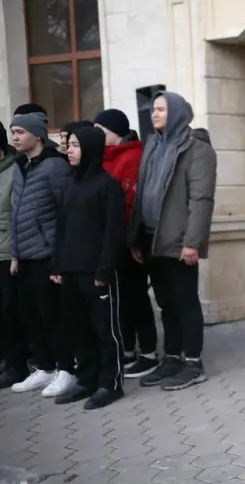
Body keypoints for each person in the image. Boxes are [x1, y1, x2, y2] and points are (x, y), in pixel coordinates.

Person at [127, 91, 217, 391]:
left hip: (179, 241)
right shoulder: (153, 144)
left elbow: (201, 199)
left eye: (162, 110)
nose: (155, 114)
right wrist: (137, 238)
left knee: (185, 302)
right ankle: (173, 357)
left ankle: (193, 362)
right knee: (165, 304)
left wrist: (192, 242)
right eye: (153, 109)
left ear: (177, 112)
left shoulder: (197, 147)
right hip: (152, 240)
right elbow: (143, 194)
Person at [49, 126, 126, 409]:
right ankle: (87, 380)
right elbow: (62, 229)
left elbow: (113, 233)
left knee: (105, 331)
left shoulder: (107, 186)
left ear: (92, 149)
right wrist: (57, 265)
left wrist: (104, 270)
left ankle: (110, 384)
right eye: (69, 146)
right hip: (70, 272)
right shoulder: (69, 184)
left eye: (76, 146)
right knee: (78, 330)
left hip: (97, 274)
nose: (69, 149)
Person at [8, 112, 76, 396]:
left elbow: (65, 212)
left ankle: (66, 369)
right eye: (13, 132)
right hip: (24, 255)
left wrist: (60, 258)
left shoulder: (54, 166)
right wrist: (15, 254)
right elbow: (15, 212)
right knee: (31, 315)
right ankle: (45, 367)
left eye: (21, 132)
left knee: (53, 316)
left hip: (47, 255)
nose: (15, 137)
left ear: (37, 135)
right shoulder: (18, 166)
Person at [96, 109, 158, 378]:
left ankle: (148, 353)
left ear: (116, 132)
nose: (96, 134)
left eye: (101, 129)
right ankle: (129, 349)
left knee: (136, 297)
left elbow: (129, 202)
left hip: (128, 240)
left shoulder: (132, 156)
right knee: (121, 299)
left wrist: (131, 240)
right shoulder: (105, 157)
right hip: (111, 240)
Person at [0, 121, 29, 389]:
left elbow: (16, 211)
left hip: (7, 251)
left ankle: (17, 364)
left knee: (10, 310)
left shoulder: (14, 169)